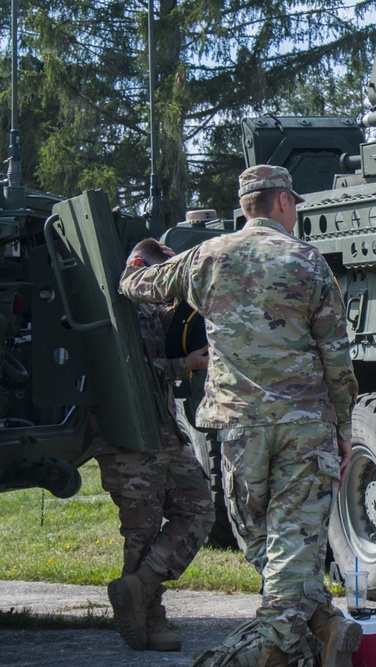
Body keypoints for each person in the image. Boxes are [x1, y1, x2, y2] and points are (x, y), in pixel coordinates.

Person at [119, 165, 361, 667]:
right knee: (291, 540)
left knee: (262, 538)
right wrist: (343, 430)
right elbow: (337, 358)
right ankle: (279, 647)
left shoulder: (207, 256)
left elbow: (137, 286)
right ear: (280, 203)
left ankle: (321, 626)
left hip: (240, 425)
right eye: (293, 201)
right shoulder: (308, 261)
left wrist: (132, 265)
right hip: (304, 424)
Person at [99, 238, 214, 652]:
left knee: (200, 509)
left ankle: (140, 588)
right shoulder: (116, 308)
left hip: (163, 430)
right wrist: (185, 365)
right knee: (142, 530)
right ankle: (149, 617)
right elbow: (128, 372)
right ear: (138, 264)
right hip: (128, 439)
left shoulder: (151, 309)